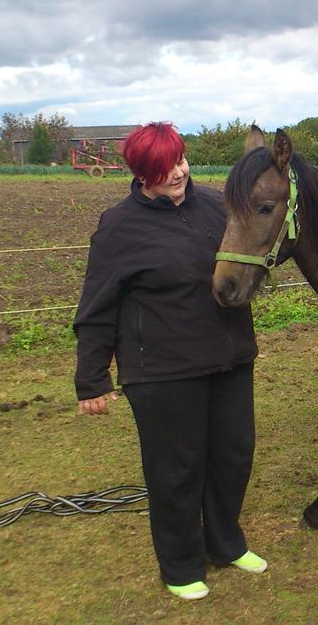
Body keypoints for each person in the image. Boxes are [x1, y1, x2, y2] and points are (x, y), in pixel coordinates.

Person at [73, 122, 266, 600]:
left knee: (233, 455)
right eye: (165, 169)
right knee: (176, 468)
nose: (179, 173)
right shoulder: (119, 227)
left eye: (180, 161)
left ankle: (225, 544)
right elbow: (96, 306)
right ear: (142, 174)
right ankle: (181, 566)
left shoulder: (216, 206)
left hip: (230, 358)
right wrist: (91, 378)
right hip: (162, 368)